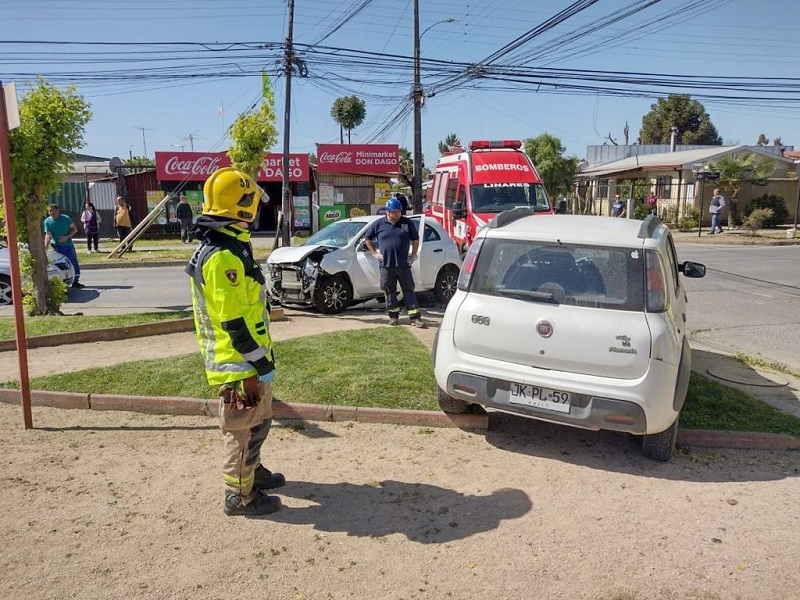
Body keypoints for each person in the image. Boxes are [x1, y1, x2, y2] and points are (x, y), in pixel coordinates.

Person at [185, 167, 284, 517]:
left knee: (259, 421)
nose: (257, 208)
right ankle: (239, 495)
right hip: (239, 362)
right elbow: (233, 321)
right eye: (252, 202)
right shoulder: (223, 255)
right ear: (241, 206)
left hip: (250, 359)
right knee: (242, 431)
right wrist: (257, 364)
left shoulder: (232, 244)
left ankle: (252, 473)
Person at [364, 197, 426, 328]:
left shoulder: (407, 223)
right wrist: (374, 253)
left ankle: (415, 318)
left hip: (403, 265)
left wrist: (413, 255)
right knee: (389, 291)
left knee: (409, 290)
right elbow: (367, 238)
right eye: (394, 212)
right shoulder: (379, 224)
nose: (397, 214)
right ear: (387, 212)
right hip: (386, 266)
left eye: (398, 211)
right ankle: (393, 317)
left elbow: (415, 239)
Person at [43, 204, 84, 288]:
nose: (51, 212)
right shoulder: (47, 221)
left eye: (53, 210)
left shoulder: (65, 218)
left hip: (67, 245)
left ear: (57, 210)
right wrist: (45, 247)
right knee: (60, 264)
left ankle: (75, 281)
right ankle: (62, 282)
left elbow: (74, 229)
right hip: (56, 246)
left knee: (73, 262)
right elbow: (48, 235)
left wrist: (66, 237)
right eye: (49, 211)